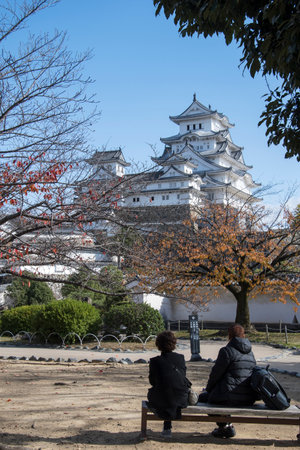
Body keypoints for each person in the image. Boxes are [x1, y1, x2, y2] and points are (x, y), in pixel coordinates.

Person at [198, 323, 258, 438]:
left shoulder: (226, 351)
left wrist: (208, 389)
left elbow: (216, 374)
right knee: (221, 396)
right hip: (248, 397)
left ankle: (224, 426)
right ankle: (227, 426)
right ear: (243, 335)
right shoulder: (251, 353)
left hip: (229, 396)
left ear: (229, 336)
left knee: (204, 398)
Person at [147, 330, 189, 438]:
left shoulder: (155, 361)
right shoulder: (181, 358)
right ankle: (167, 427)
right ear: (174, 343)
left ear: (158, 344)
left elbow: (152, 381)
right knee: (169, 391)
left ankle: (167, 428)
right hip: (181, 397)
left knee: (162, 392)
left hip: (163, 397)